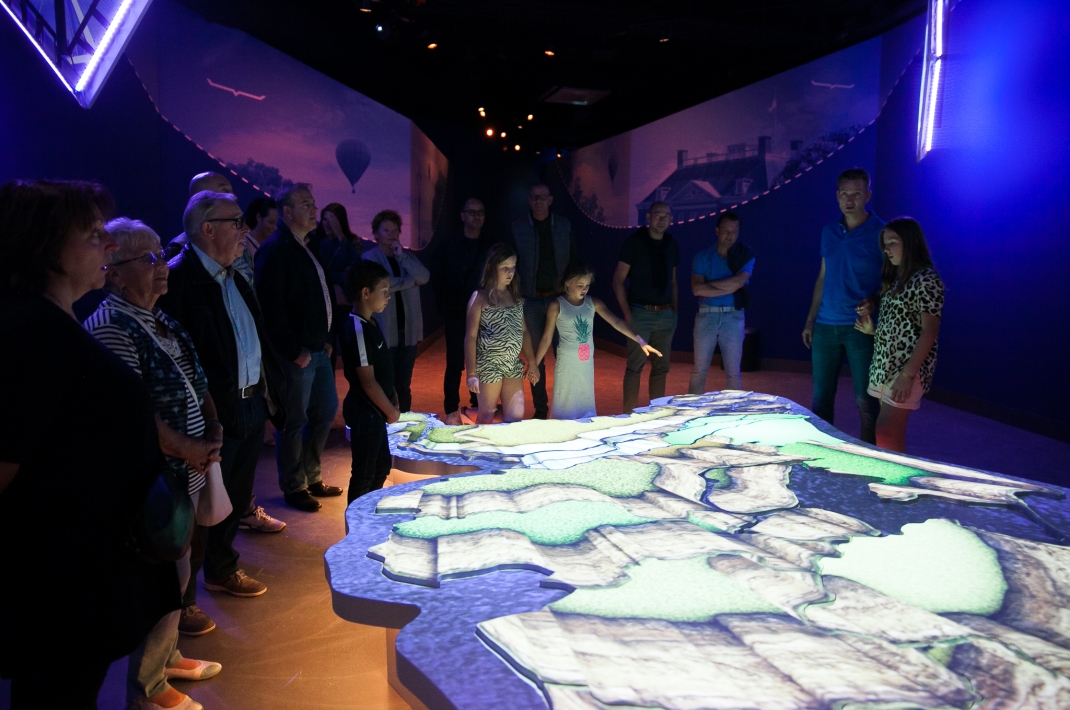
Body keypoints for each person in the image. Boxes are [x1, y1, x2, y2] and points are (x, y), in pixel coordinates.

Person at [0, 180, 178, 709]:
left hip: (77, 576)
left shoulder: (48, 323)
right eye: (93, 233)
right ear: (44, 245)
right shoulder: (31, 334)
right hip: (56, 584)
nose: (108, 244)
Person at [84, 217, 223, 710]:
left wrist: (212, 427)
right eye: (149, 258)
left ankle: (167, 657)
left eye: (162, 254)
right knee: (162, 576)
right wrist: (189, 448)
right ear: (115, 271)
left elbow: (198, 382)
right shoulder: (110, 325)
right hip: (153, 479)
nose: (163, 265)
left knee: (179, 572)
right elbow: (134, 414)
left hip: (185, 470)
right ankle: (147, 687)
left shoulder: (159, 317)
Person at [158, 191, 287, 637]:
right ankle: (184, 601)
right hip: (210, 414)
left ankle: (222, 568)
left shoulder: (234, 276)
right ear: (207, 229)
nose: (244, 229)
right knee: (199, 507)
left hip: (248, 402)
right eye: (236, 221)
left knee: (234, 495)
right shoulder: (178, 280)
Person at [255, 183, 342, 512]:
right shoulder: (275, 250)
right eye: (306, 204)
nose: (314, 209)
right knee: (293, 420)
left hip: (318, 350)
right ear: (287, 212)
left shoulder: (306, 245)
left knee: (325, 411)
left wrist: (327, 340)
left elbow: (322, 296)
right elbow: (271, 308)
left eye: (313, 203)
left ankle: (311, 476)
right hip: (298, 354)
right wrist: (293, 350)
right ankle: (294, 486)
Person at [801, 168, 885, 443]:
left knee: (866, 401)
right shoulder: (829, 230)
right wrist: (810, 320)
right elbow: (823, 276)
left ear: (867, 196)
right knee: (821, 399)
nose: (850, 200)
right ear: (837, 196)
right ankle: (824, 454)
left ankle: (869, 457)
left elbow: (892, 279)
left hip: (861, 327)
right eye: (845, 194)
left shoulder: (880, 232)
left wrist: (875, 299)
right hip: (826, 325)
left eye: (856, 194)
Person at [854, 218, 944, 452]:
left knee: (887, 430)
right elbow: (900, 326)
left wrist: (907, 374)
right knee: (885, 430)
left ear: (911, 242)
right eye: (885, 244)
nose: (886, 249)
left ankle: (893, 475)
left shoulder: (927, 280)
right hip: (885, 364)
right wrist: (873, 330)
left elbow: (930, 330)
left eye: (893, 242)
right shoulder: (896, 278)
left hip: (906, 368)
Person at [534, 262, 661, 420]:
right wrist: (534, 364)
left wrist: (639, 340)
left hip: (586, 363)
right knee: (565, 401)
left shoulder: (592, 303)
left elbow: (616, 322)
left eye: (587, 285)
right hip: (567, 364)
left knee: (584, 399)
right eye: (580, 285)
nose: (584, 289)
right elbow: (546, 338)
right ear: (567, 283)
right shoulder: (557, 305)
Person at [508, 184, 578, 419]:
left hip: (560, 300)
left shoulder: (564, 226)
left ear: (550, 200)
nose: (538, 201)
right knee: (535, 358)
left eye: (543, 197)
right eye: (534, 197)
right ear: (529, 200)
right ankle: (541, 409)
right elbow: (510, 266)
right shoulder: (518, 228)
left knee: (564, 355)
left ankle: (566, 405)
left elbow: (574, 261)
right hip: (531, 300)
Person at [432, 198, 497, 423]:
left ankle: (478, 405)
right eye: (472, 212)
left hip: (483, 313)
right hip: (456, 312)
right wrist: (445, 307)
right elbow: (437, 276)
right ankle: (451, 409)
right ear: (462, 215)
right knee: (455, 363)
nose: (476, 216)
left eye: (480, 212)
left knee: (480, 360)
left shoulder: (490, 245)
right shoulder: (449, 244)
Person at [341, 260, 400, 504]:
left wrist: (392, 396)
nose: (388, 296)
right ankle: (357, 520)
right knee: (364, 473)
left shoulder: (371, 323)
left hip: (376, 412)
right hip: (366, 413)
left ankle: (367, 510)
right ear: (366, 293)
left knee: (381, 466)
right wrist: (391, 411)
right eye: (384, 291)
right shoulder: (357, 329)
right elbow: (367, 382)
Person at [612, 201, 680, 413]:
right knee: (635, 367)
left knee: (661, 367)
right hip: (640, 313)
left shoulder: (671, 244)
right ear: (648, 217)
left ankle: (656, 415)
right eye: (657, 215)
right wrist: (628, 314)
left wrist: (674, 311)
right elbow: (618, 280)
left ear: (671, 219)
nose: (661, 219)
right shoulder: (634, 242)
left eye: (666, 216)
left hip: (666, 314)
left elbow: (673, 281)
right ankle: (629, 416)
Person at [361, 209, 429, 412]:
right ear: (376, 233)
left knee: (404, 384)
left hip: (407, 330)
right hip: (384, 329)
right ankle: (384, 421)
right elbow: (384, 284)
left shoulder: (405, 256)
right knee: (384, 383)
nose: (391, 234)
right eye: (386, 230)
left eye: (395, 230)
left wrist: (403, 258)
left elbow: (424, 277)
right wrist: (409, 281)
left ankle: (404, 420)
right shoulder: (369, 257)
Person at [465, 244, 539, 424]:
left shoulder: (515, 297)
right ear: (491, 267)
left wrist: (532, 362)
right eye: (505, 268)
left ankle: (473, 412)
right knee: (486, 415)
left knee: (515, 416)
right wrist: (471, 373)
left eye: (513, 267)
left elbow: (524, 331)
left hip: (511, 363)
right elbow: (471, 337)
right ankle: (469, 416)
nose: (510, 272)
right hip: (488, 364)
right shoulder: (480, 297)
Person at [688, 212, 755, 393]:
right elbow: (697, 289)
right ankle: (692, 407)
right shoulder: (703, 257)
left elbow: (739, 282)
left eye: (734, 232)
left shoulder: (745, 255)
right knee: (699, 370)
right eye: (726, 231)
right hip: (706, 315)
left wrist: (709, 285)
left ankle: (733, 409)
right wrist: (730, 286)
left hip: (733, 316)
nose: (729, 236)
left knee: (733, 372)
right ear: (717, 231)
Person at [319, 203, 368, 367]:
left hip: (346, 305)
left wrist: (341, 238)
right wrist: (341, 275)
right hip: (325, 306)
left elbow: (356, 270)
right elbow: (320, 274)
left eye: (332, 220)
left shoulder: (352, 242)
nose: (328, 224)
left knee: (350, 350)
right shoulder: (318, 242)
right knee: (327, 351)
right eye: (324, 219)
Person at [164, 172, 235, 260]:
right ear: (201, 196)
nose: (234, 196)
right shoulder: (179, 249)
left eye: (231, 190)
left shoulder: (237, 239)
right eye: (224, 190)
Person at [232, 197, 277, 287]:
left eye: (277, 223)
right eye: (271, 222)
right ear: (259, 217)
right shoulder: (244, 243)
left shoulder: (273, 246)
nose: (275, 227)